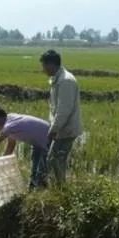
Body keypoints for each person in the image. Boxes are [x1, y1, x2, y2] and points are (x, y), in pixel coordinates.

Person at [0, 105, 50, 189]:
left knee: (41, 172)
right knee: (35, 169)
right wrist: (2, 164)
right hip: (39, 143)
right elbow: (10, 146)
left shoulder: (10, 125)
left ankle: (40, 189)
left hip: (50, 140)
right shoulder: (11, 118)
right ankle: (33, 187)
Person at [40, 49, 83, 184]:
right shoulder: (56, 79)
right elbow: (54, 108)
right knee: (56, 158)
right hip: (61, 128)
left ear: (51, 64)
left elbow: (63, 110)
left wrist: (54, 129)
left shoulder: (66, 81)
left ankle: (61, 187)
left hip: (66, 129)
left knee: (55, 158)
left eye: (44, 66)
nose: (43, 69)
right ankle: (59, 185)